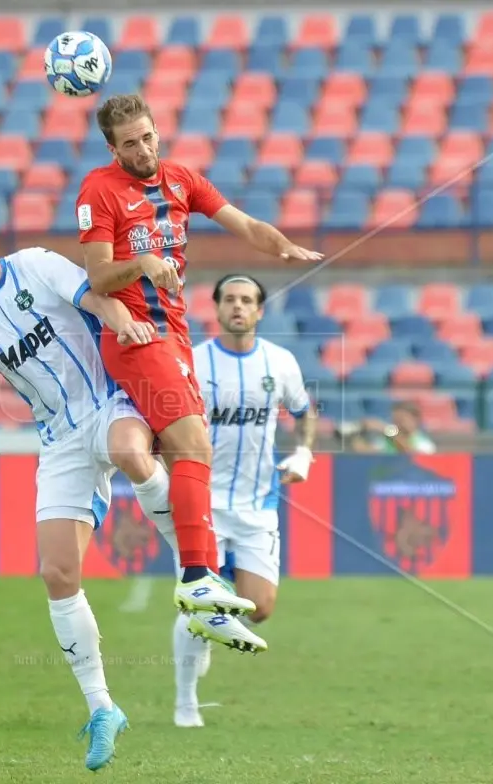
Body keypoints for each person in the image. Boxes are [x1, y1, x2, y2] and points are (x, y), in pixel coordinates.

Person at [0, 189, 256, 771]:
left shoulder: (37, 264)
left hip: (108, 398)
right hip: (58, 439)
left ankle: (200, 574)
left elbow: (94, 296)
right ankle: (102, 707)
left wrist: (122, 319)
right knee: (56, 571)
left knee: (129, 450)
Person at [75, 93, 324, 616]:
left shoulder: (182, 180)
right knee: (193, 443)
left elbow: (245, 224)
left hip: (175, 334)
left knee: (177, 449)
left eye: (148, 137)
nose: (143, 150)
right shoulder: (99, 189)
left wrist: (282, 246)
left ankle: (193, 560)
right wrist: (141, 261)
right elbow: (97, 275)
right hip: (134, 333)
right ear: (111, 148)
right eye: (129, 144)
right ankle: (197, 573)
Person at [172, 274, 318, 728]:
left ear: (259, 311)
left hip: (259, 505)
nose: (238, 307)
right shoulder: (193, 364)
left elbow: (303, 411)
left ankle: (210, 617)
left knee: (261, 608)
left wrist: (304, 451)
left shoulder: (280, 363)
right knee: (201, 602)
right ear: (216, 309)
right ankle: (186, 701)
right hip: (204, 504)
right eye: (230, 299)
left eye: (247, 300)